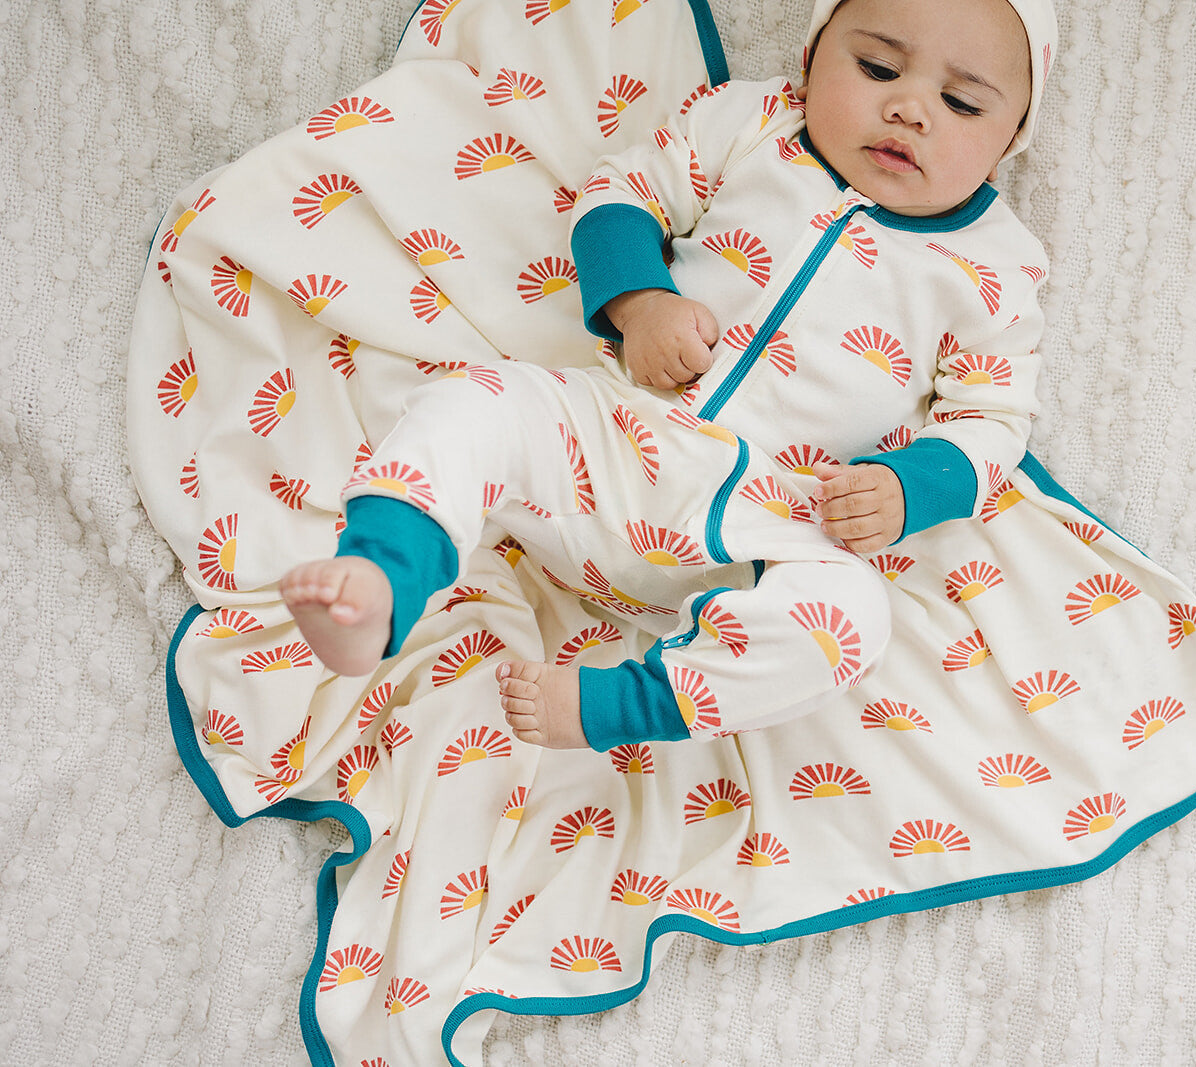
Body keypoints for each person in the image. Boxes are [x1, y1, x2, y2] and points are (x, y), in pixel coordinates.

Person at [280, 0, 1057, 754]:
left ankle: (619, 701)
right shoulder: (752, 125)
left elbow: (990, 419)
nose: (911, 108)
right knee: (476, 403)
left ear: (1008, 142)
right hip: (609, 442)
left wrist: (909, 488)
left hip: (769, 524)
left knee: (851, 619)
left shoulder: (993, 268)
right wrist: (640, 302)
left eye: (961, 103)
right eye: (878, 66)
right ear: (812, 60)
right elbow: (623, 192)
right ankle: (381, 580)